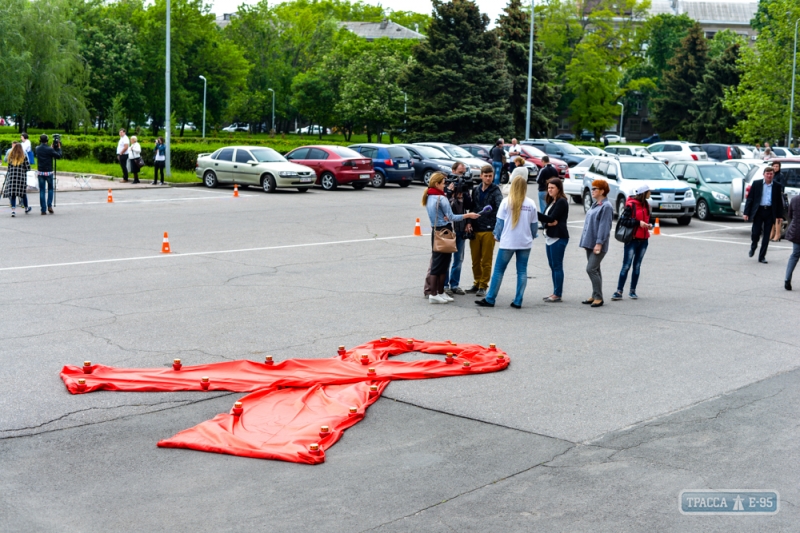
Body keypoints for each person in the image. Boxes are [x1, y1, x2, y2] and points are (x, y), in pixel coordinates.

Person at [475, 175, 538, 308]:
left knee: (499, 270)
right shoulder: (531, 203)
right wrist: (531, 236)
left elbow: (500, 223)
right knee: (522, 271)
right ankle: (518, 300)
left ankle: (490, 298)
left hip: (508, 241)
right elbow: (534, 226)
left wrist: (496, 235)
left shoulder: (506, 202)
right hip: (525, 242)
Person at [423, 173, 480, 304]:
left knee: (441, 263)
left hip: (436, 230)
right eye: (443, 183)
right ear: (437, 184)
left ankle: (440, 292)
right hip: (445, 231)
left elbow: (444, 215)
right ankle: (434, 294)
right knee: (440, 264)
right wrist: (468, 215)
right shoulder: (441, 198)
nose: (445, 185)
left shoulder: (429, 196)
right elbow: (453, 217)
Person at [466, 165, 503, 298]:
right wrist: (469, 222)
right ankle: (476, 282)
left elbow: (500, 208)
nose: (488, 178)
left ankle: (483, 285)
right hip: (475, 229)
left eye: (490, 176)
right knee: (475, 260)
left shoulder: (495, 190)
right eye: (486, 175)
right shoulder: (475, 190)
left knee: (486, 261)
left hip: (489, 230)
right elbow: (471, 208)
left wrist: (496, 227)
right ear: (481, 176)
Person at [612, 186, 653, 301]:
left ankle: (632, 291)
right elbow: (623, 221)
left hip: (644, 240)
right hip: (632, 240)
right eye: (649, 191)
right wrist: (637, 223)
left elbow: (649, 219)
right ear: (643, 193)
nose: (650, 193)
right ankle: (619, 291)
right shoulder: (631, 205)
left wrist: (649, 225)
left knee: (637, 266)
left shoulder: (647, 205)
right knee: (626, 265)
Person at [579, 179, 613, 307]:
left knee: (591, 269)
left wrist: (599, 243)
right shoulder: (595, 204)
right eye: (592, 189)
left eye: (595, 189)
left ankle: (599, 297)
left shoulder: (606, 206)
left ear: (602, 191)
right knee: (596, 269)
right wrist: (585, 242)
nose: (592, 191)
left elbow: (604, 227)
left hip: (598, 243)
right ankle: (595, 295)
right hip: (590, 242)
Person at [536, 178, 570, 302]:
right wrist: (547, 223)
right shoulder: (552, 202)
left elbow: (552, 219)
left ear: (558, 189)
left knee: (557, 266)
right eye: (548, 188)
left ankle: (558, 294)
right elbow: (548, 220)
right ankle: (555, 292)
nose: (549, 190)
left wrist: (534, 213)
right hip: (549, 237)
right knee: (552, 266)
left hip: (558, 237)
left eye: (552, 188)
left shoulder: (562, 201)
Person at [743, 166, 784, 263]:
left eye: (771, 174)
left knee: (766, 236)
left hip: (770, 212)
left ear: (773, 175)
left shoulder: (777, 186)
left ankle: (762, 256)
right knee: (755, 233)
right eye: (767, 174)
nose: (769, 176)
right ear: (764, 174)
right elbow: (750, 199)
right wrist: (746, 213)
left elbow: (779, 202)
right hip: (759, 211)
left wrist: (779, 216)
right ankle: (753, 246)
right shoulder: (757, 184)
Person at [444, 162, 473, 296]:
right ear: (453, 171)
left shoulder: (464, 187)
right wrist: (450, 192)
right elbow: (445, 207)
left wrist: (464, 193)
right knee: (446, 258)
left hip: (461, 227)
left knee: (459, 259)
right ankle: (444, 285)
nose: (462, 176)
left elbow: (468, 206)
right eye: (460, 172)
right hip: (449, 228)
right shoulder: (445, 186)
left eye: (464, 172)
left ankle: (454, 284)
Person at [34, 134, 62, 215]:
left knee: (42, 190)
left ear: (40, 140)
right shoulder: (50, 149)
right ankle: (49, 205)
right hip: (49, 172)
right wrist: (58, 148)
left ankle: (43, 209)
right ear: (47, 140)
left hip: (41, 172)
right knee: (50, 189)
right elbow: (58, 156)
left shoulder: (37, 148)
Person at [2, 143, 32, 217]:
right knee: (23, 193)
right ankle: (26, 208)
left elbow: (9, 167)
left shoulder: (10, 157)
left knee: (13, 194)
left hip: (12, 177)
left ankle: (13, 210)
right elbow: (28, 168)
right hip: (21, 178)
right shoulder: (23, 157)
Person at [784, 193, 800, 290]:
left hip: (796, 231)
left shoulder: (794, 199)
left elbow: (790, 215)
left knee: (794, 255)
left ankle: (787, 279)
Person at [770, 161, 785, 242]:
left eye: (777, 166)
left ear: (779, 167)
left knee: (777, 217)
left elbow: (782, 188)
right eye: (774, 166)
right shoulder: (772, 175)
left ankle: (777, 234)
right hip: (771, 199)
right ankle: (772, 233)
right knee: (771, 217)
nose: (775, 167)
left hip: (778, 199)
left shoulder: (780, 175)